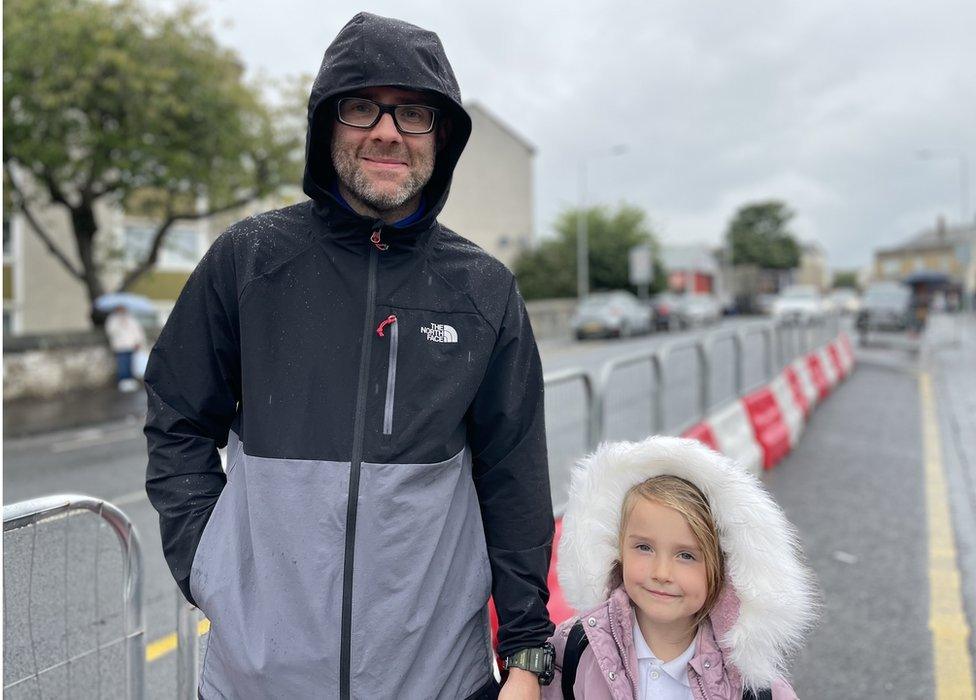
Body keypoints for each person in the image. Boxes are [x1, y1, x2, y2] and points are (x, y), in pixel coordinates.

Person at [144, 12, 554, 700]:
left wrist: (526, 647)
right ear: (327, 123)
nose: (388, 130)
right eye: (363, 105)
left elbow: (514, 473)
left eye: (415, 113)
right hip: (260, 680)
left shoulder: (483, 290)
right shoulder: (247, 261)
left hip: (439, 682)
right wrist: (206, 563)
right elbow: (178, 416)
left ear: (442, 136)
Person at [544, 436, 818, 699]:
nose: (661, 573)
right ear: (617, 551)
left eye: (686, 555)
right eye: (644, 547)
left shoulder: (750, 682)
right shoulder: (576, 647)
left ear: (723, 569)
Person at [104, 305, 146, 392]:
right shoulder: (112, 319)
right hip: (120, 346)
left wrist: (138, 341)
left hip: (131, 345)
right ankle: (123, 381)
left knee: (130, 363)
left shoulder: (130, 318)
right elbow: (110, 331)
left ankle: (130, 380)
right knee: (122, 364)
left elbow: (137, 330)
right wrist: (120, 324)